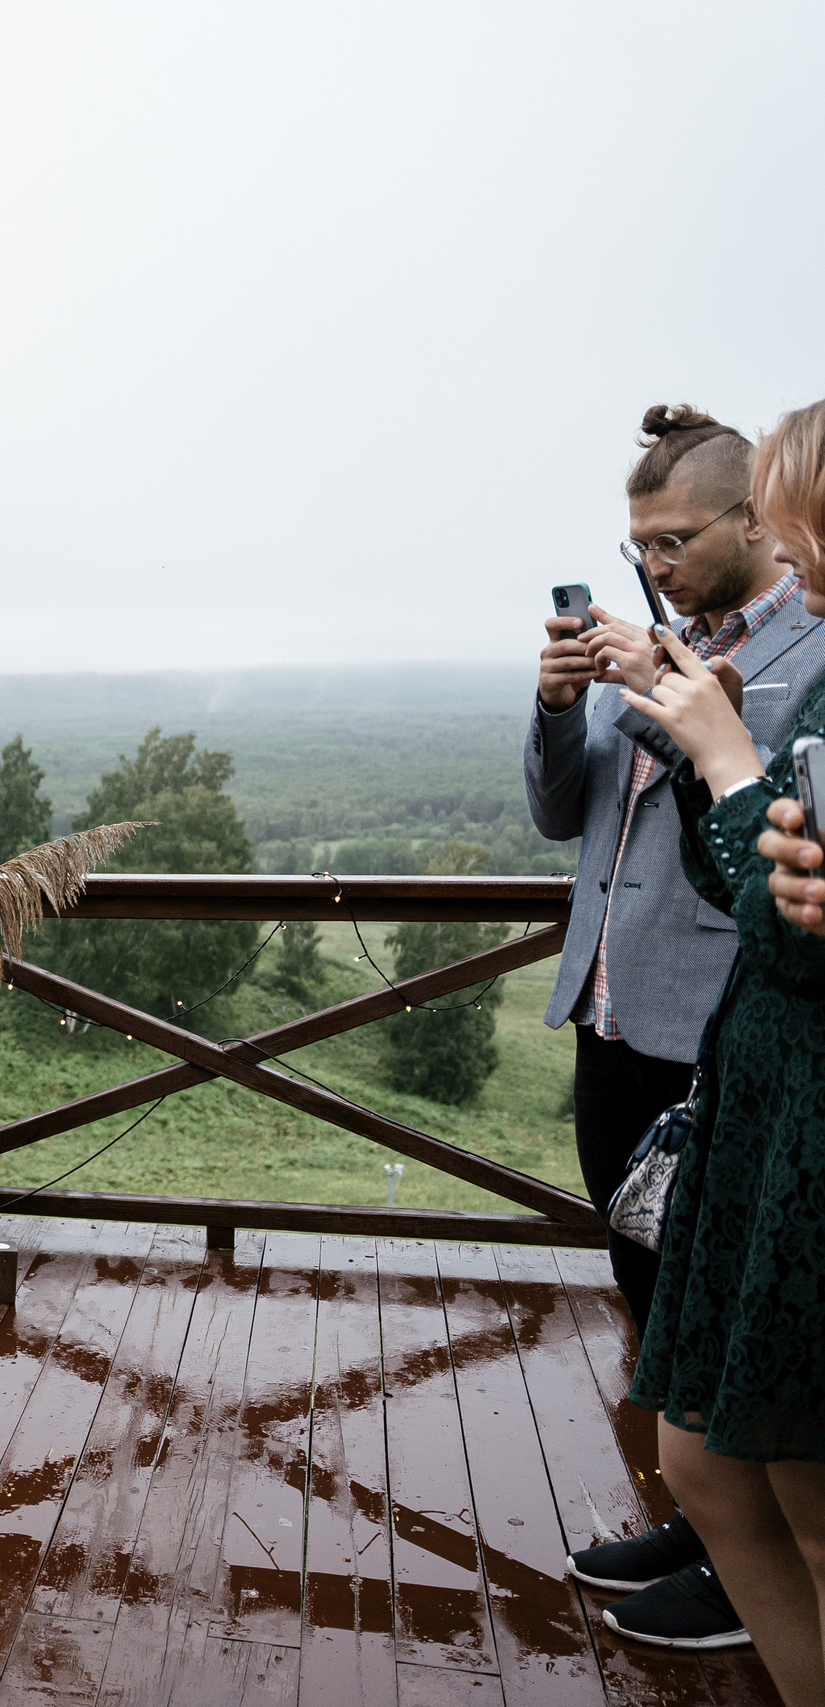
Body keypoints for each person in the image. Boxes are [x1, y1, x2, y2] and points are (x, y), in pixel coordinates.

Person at [530, 406, 824, 1648]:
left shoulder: (807, 644)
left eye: (672, 538)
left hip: (727, 1015)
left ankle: (738, 1558)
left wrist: (680, 714)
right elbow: (563, 815)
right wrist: (558, 707)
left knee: (735, 1299)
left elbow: (760, 823)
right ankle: (705, 1511)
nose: (651, 563)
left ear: (756, 522)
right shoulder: (651, 646)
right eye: (635, 543)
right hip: (607, 1003)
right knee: (655, 1282)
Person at [616, 395, 825, 1706]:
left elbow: (796, 934)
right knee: (704, 1459)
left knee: (805, 1485)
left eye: (801, 531)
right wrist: (719, 768)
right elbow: (736, 881)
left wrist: (731, 756)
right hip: (761, 1085)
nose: (795, 560)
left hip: (805, 1103)